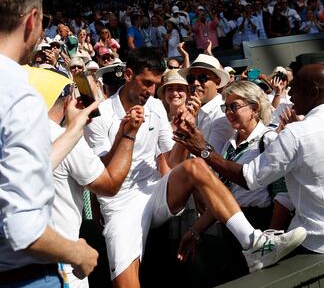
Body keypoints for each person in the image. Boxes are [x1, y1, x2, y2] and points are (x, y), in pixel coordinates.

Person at [84, 48, 306, 287]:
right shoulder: (99, 115)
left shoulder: (156, 107)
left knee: (195, 166)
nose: (150, 92)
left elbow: (169, 161)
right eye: (146, 83)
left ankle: (254, 244)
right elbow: (101, 174)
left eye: (155, 85)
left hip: (152, 193)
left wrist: (182, 136)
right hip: (119, 203)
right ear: (128, 75)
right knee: (125, 283)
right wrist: (124, 136)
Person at [175, 63, 324, 254]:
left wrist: (204, 150)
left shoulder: (296, 134)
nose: (291, 97)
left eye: (295, 89)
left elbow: (249, 179)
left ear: (313, 92)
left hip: (317, 244)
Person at [0, 0, 98, 286]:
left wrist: (75, 126)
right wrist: (78, 252)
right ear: (31, 20)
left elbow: (22, 169)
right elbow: (23, 229)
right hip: (21, 277)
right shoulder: (19, 96)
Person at [174, 81, 277, 280]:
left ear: (254, 108)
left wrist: (271, 241)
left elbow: (282, 196)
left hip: (261, 224)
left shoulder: (269, 140)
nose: (228, 112)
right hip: (232, 229)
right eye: (225, 107)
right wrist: (195, 231)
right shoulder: (229, 146)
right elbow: (223, 197)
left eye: (234, 106)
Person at [48, 82, 141, 287]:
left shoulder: (9, 134)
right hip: (61, 267)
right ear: (69, 101)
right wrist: (129, 134)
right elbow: (109, 185)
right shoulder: (65, 139)